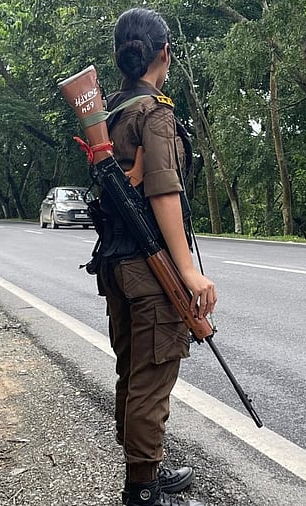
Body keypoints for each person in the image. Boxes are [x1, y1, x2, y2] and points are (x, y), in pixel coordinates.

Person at [93, 8, 216, 506]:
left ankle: (145, 469)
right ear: (164, 52)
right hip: (150, 268)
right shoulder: (155, 113)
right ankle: (141, 490)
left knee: (132, 367)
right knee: (152, 375)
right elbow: (165, 192)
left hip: (117, 265)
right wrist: (188, 271)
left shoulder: (111, 111)